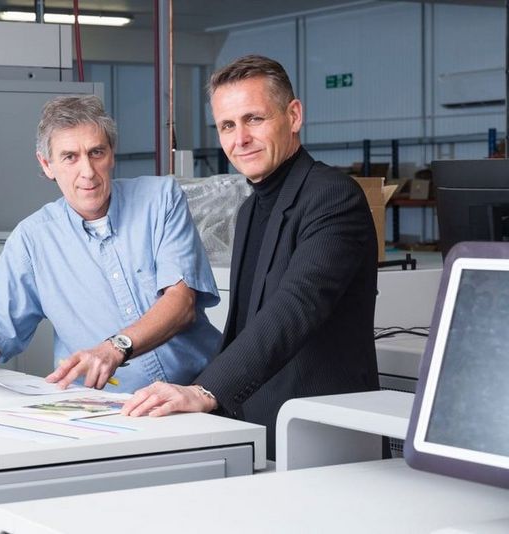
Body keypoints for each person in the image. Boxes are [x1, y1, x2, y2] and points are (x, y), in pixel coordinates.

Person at [122, 55, 380, 460]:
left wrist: (205, 391)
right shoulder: (249, 209)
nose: (239, 139)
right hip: (256, 424)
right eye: (227, 125)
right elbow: (242, 329)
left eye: (254, 119)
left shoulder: (333, 197)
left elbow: (294, 309)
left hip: (320, 429)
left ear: (293, 116)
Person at [0, 95, 221, 393]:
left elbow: (182, 304)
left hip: (199, 394)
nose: (88, 171)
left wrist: (114, 348)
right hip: (111, 411)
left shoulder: (160, 200)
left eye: (96, 152)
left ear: (112, 154)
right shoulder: (32, 240)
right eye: (70, 157)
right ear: (47, 164)